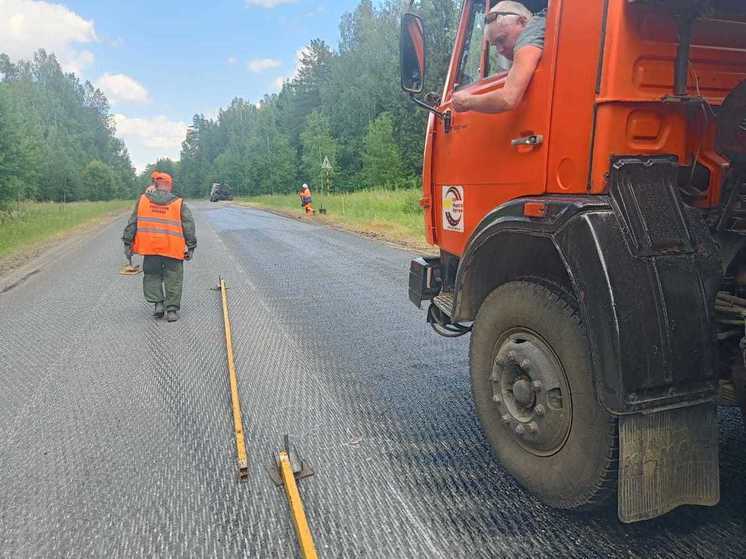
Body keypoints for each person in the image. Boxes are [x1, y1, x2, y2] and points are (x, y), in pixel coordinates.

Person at [122, 171, 197, 322]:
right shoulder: (178, 203)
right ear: (169, 186)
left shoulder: (143, 200)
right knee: (173, 278)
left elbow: (132, 223)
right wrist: (191, 246)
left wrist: (127, 242)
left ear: (155, 185)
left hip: (150, 248)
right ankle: (172, 311)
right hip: (173, 249)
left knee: (152, 275)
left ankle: (158, 304)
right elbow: (189, 225)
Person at [452, 1, 545, 114]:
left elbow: (508, 98)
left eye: (502, 39)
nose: (500, 50)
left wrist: (467, 101)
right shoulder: (545, 26)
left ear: (522, 22)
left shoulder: (531, 32)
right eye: (495, 45)